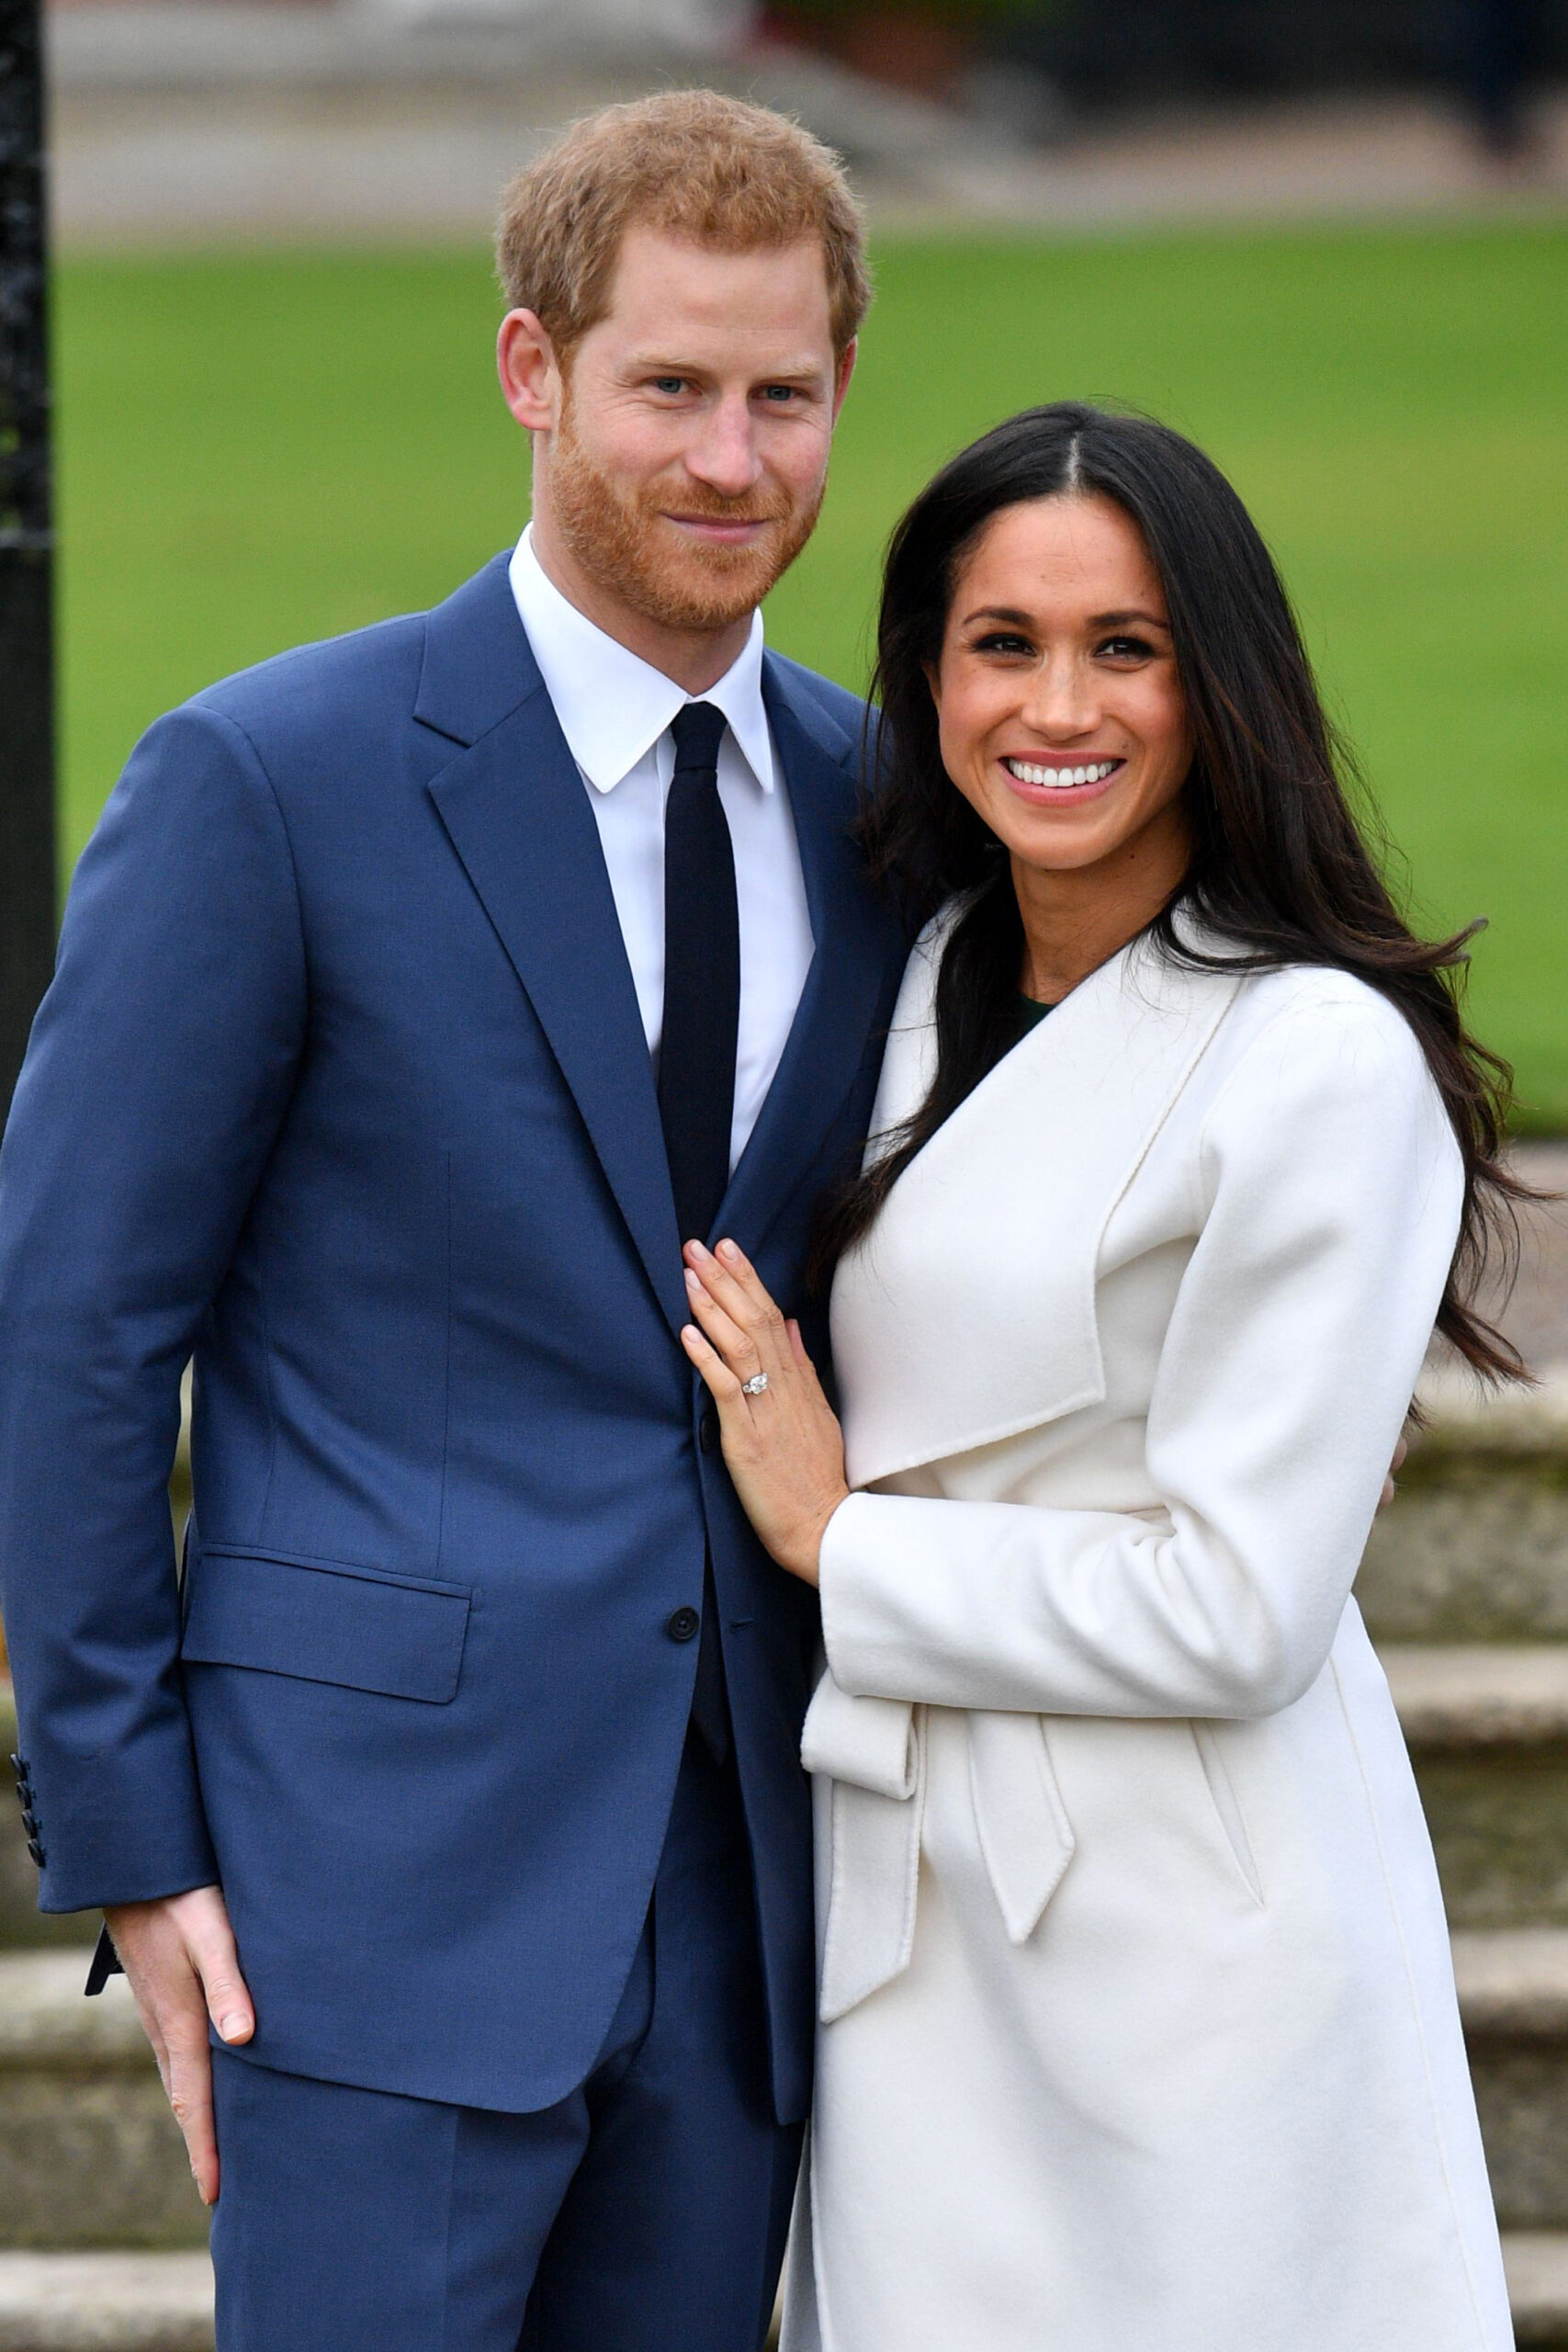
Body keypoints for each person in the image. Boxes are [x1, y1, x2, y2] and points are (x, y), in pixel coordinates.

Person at [0, 92, 910, 2350]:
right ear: (532, 369)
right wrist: (130, 1832)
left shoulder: (886, 808)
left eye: (780, 395)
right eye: (667, 387)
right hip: (359, 1894)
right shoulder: (265, 782)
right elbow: (75, 1325)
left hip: (755, 1911)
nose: (729, 459)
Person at [681, 403, 1519, 2351]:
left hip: (1182, 1929)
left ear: (1215, 684)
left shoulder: (1313, 1056)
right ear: (927, 677)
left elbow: (1239, 1608)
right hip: (906, 1913)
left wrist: (842, 1536)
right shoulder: (905, 976)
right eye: (1003, 644)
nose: (1057, 707)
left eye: (1123, 647)